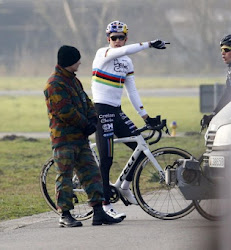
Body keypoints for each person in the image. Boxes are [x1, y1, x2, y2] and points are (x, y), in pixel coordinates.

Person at [91, 20, 168, 219]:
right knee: (106, 160)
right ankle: (105, 205)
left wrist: (146, 116)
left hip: (116, 110)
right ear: (108, 39)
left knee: (140, 147)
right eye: (113, 38)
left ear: (126, 38)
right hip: (101, 109)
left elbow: (131, 90)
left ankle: (125, 186)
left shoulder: (127, 62)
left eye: (121, 38)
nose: (117, 41)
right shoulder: (103, 53)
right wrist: (149, 44)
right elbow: (120, 52)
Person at [44, 45, 123, 227]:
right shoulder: (54, 84)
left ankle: (98, 212)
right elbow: (65, 111)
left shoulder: (73, 81)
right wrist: (85, 124)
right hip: (64, 140)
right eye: (77, 59)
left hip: (80, 138)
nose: (80, 62)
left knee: (92, 174)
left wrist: (93, 119)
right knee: (64, 176)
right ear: (69, 61)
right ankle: (65, 215)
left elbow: (87, 102)